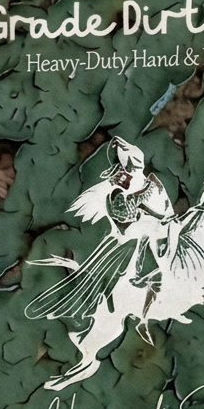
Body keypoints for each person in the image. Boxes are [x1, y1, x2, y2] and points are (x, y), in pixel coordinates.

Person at [24, 139, 178, 324]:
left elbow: (162, 210)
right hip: (128, 237)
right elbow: (120, 216)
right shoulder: (118, 194)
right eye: (118, 177)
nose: (120, 179)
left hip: (154, 234)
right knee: (105, 264)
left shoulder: (151, 186)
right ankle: (94, 301)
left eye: (122, 175)